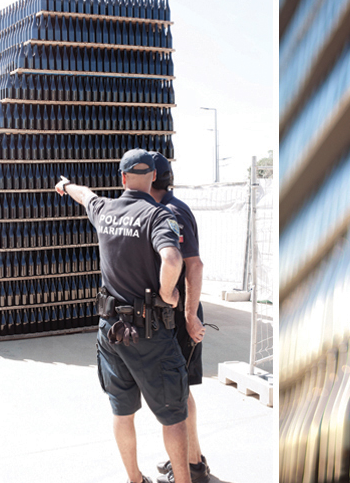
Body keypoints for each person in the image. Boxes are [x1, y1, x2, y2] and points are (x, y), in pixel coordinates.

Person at [55, 148, 192, 483]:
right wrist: (167, 292)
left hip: (111, 331)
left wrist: (65, 185)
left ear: (123, 177)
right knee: (173, 415)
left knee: (122, 411)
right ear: (154, 177)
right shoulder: (158, 216)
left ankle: (135, 478)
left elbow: (84, 195)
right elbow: (173, 260)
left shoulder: (105, 209)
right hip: (149, 334)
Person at [148, 152, 209, 483]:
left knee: (177, 392)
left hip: (179, 316)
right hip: (173, 315)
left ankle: (192, 466)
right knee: (178, 390)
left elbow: (193, 264)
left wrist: (188, 315)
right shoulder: (164, 209)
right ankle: (188, 459)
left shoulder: (170, 212)